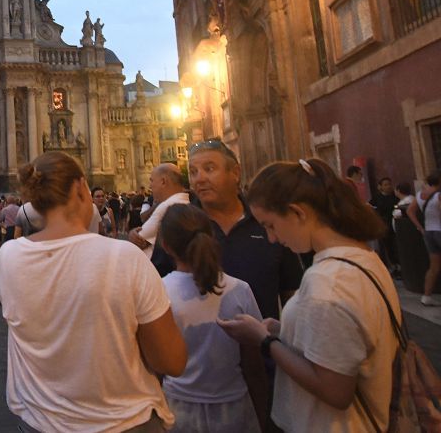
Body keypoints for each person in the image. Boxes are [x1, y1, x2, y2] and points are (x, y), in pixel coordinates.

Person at [0, 152, 186, 431]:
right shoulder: (124, 257)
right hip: (123, 422)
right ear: (79, 189)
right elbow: (170, 361)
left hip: (41, 422)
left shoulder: (9, 256)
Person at [219, 158, 398, 432]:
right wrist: (284, 330)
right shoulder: (363, 257)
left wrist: (264, 341)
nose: (272, 239)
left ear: (298, 213)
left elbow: (335, 390)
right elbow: (342, 338)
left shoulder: (328, 284)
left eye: (270, 225)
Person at [159, 203, 266, 432]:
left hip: (178, 410)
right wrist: (263, 415)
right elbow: (253, 364)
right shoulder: (240, 290)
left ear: (166, 246)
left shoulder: (158, 292)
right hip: (234, 408)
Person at [188, 139, 303, 321]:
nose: (199, 178)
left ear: (235, 172)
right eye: (193, 172)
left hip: (262, 343)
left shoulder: (268, 221)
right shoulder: (182, 225)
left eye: (209, 169)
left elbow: (292, 289)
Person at [130, 163, 191, 260]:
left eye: (152, 181)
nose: (150, 186)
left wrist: (131, 234)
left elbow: (137, 242)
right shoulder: (185, 201)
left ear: (163, 181)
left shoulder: (166, 206)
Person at [408, 172, 441, 306]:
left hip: (428, 232)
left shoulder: (420, 196)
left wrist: (420, 227)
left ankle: (426, 296)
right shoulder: (438, 195)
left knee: (434, 267)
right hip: (439, 230)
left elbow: (410, 210)